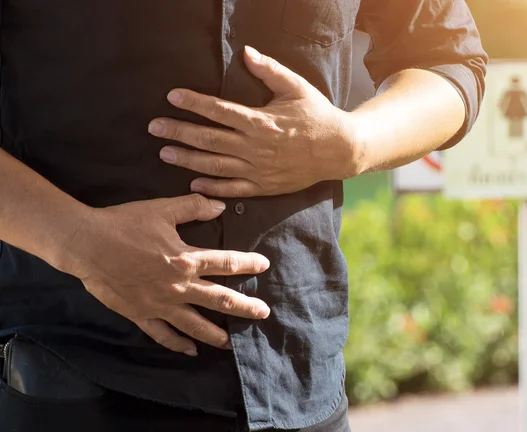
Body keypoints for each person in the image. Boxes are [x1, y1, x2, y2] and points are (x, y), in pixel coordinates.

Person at [0, 1, 487, 432]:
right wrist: (80, 242)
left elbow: (447, 58)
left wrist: (352, 145)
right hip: (77, 373)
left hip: (300, 379)